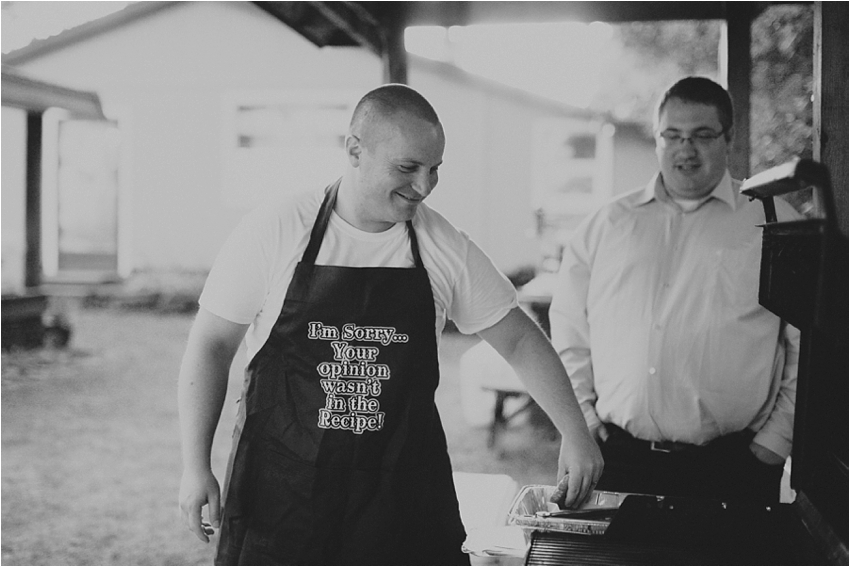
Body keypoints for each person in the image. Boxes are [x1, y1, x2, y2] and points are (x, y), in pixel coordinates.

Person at [178, 83, 603, 565]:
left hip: (401, 500)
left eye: (434, 170)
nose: (423, 187)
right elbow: (211, 343)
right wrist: (195, 466)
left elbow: (520, 338)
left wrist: (575, 431)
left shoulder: (443, 246)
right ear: (354, 150)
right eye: (407, 168)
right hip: (283, 493)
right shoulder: (277, 229)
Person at [549, 76, 799, 505]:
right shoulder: (605, 224)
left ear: (729, 137)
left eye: (702, 135)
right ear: (658, 138)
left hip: (734, 465)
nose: (686, 149)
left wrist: (776, 440)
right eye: (673, 135)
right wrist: (583, 420)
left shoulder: (776, 223)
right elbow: (569, 330)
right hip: (618, 458)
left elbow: (808, 341)